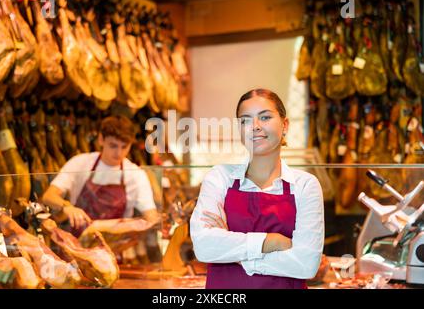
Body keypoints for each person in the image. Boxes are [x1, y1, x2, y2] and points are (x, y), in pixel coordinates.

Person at [190, 88, 324, 289]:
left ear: (285, 125)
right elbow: (203, 247)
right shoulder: (219, 178)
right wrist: (270, 242)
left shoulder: (305, 185)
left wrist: (234, 255)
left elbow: (306, 265)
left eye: (265, 117)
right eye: (245, 120)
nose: (254, 126)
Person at [42, 116, 160, 262]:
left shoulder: (136, 174)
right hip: (77, 251)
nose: (119, 153)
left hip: (115, 255)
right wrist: (67, 207)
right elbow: (48, 196)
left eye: (124, 147)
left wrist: (141, 227)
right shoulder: (80, 163)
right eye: (113, 146)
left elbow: (151, 217)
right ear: (101, 140)